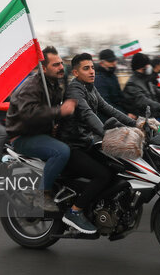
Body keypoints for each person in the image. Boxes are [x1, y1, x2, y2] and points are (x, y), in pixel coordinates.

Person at [60, 53, 138, 234]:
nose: (92, 71)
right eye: (86, 68)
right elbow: (88, 115)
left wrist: (136, 124)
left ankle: (103, 206)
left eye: (93, 67)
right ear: (76, 72)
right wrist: (108, 133)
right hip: (73, 146)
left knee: (118, 167)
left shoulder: (90, 88)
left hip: (87, 142)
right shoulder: (75, 90)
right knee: (103, 175)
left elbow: (109, 109)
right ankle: (74, 212)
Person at [6, 46, 76, 213]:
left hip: (40, 133)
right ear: (43, 68)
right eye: (55, 65)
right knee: (61, 152)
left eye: (61, 63)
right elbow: (28, 114)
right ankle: (42, 194)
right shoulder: (31, 86)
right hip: (23, 137)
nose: (61, 67)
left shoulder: (53, 85)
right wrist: (60, 111)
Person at [94, 49, 127, 115]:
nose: (114, 63)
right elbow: (105, 104)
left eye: (114, 60)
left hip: (118, 114)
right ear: (101, 63)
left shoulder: (112, 76)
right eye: (110, 61)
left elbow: (120, 99)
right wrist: (125, 115)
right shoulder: (98, 79)